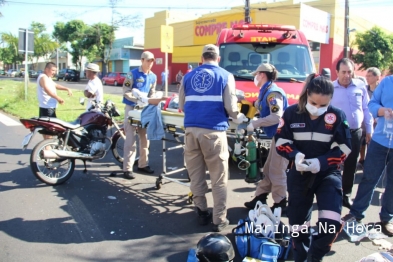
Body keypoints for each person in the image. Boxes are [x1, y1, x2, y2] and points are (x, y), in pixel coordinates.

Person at [275, 74, 351, 262]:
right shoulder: (291, 113)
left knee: (331, 224)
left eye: (322, 105)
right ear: (307, 93)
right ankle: (301, 257)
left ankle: (315, 257)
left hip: (327, 174)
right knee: (298, 227)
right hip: (299, 174)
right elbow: (281, 141)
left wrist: (321, 162)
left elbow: (345, 147)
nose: (317, 109)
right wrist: (295, 155)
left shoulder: (337, 115)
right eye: (313, 103)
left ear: (331, 100)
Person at [178, 44, 245, 232]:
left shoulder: (188, 76)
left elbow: (182, 104)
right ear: (218, 58)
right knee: (219, 177)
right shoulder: (225, 76)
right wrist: (238, 117)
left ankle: (201, 212)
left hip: (191, 131)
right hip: (213, 132)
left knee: (196, 174)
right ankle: (219, 219)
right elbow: (231, 107)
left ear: (202, 58)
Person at [342, 75, 393, 237]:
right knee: (369, 178)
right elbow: (372, 104)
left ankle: (387, 218)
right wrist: (382, 111)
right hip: (380, 141)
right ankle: (356, 213)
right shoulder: (387, 82)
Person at [243, 63, 289, 213]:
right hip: (277, 135)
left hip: (284, 136)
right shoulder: (266, 91)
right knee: (269, 168)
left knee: (277, 170)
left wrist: (256, 123)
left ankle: (280, 203)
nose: (254, 78)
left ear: (262, 75)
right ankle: (260, 197)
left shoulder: (273, 93)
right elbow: (259, 105)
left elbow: (276, 116)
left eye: (255, 74)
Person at [330, 58, 373, 209]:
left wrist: (369, 129)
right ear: (337, 72)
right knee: (333, 163)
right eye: (343, 72)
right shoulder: (331, 88)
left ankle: (346, 194)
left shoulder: (360, 86)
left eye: (349, 72)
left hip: (355, 132)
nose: (347, 75)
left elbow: (367, 109)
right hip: (335, 133)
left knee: (351, 164)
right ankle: (331, 193)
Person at [122, 51, 167, 179]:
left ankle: (143, 164)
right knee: (130, 138)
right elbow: (126, 91)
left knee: (145, 138)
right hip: (132, 107)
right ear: (142, 60)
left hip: (145, 108)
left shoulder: (153, 76)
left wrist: (153, 100)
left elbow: (152, 93)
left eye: (152, 61)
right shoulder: (133, 74)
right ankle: (127, 168)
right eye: (148, 60)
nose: (150, 63)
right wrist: (138, 99)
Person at [37, 62, 73, 139]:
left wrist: (66, 88)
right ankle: (47, 147)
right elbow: (47, 90)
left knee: (47, 129)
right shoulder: (43, 77)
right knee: (50, 130)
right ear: (46, 69)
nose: (54, 72)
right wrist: (57, 98)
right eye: (53, 70)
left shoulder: (48, 78)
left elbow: (56, 85)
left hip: (49, 107)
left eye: (55, 70)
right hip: (47, 107)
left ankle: (45, 147)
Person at [358, 67, 380, 169]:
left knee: (372, 142)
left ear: (377, 77)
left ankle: (370, 161)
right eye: (366, 76)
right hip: (365, 120)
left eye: (370, 76)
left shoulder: (381, 90)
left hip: (377, 121)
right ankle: (361, 159)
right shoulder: (364, 89)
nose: (367, 78)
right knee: (362, 140)